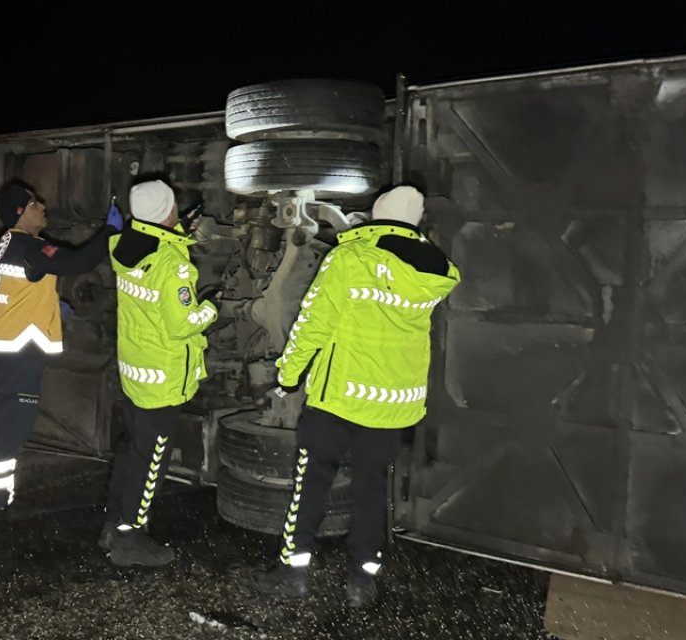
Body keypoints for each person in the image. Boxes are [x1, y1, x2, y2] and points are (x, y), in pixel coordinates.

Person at [250, 185, 461, 607]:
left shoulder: (349, 258)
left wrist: (288, 377)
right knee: (371, 488)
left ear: (378, 214)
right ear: (416, 221)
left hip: (338, 401)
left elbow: (313, 323)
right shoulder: (435, 270)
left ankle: (294, 573)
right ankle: (362, 581)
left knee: (310, 484)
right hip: (392, 405)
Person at [0, 179, 124, 517]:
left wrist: (50, 305)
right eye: (35, 204)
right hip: (16, 353)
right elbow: (77, 262)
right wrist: (109, 232)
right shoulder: (31, 249)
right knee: (14, 422)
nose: (43, 207)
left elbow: (17, 291)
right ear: (21, 212)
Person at [98, 179, 221, 566]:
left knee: (132, 450)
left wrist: (173, 230)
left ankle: (113, 525)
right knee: (150, 460)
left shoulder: (124, 247)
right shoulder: (173, 265)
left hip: (137, 370)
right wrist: (212, 308)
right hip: (164, 376)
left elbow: (155, 245)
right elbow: (182, 324)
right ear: (168, 211)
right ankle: (130, 540)